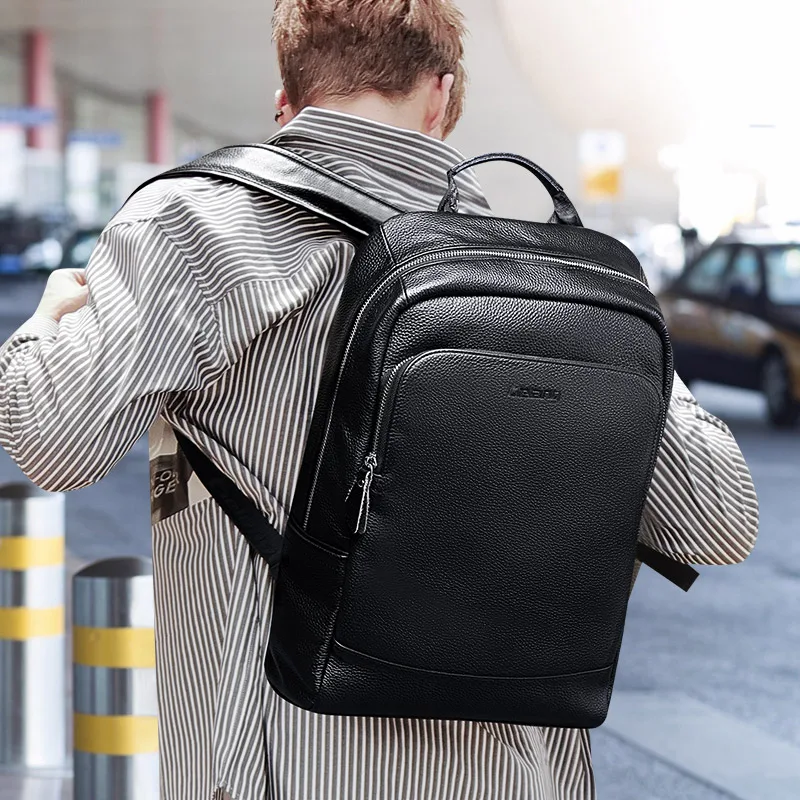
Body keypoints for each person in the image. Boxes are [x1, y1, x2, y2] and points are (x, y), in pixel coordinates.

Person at [0, 1, 758, 798]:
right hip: (519, 775)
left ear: (285, 102)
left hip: (282, 766)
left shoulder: (193, 227)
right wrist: (638, 352)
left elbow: (55, 444)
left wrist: (42, 328)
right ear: (441, 97)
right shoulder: (555, 288)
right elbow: (719, 522)